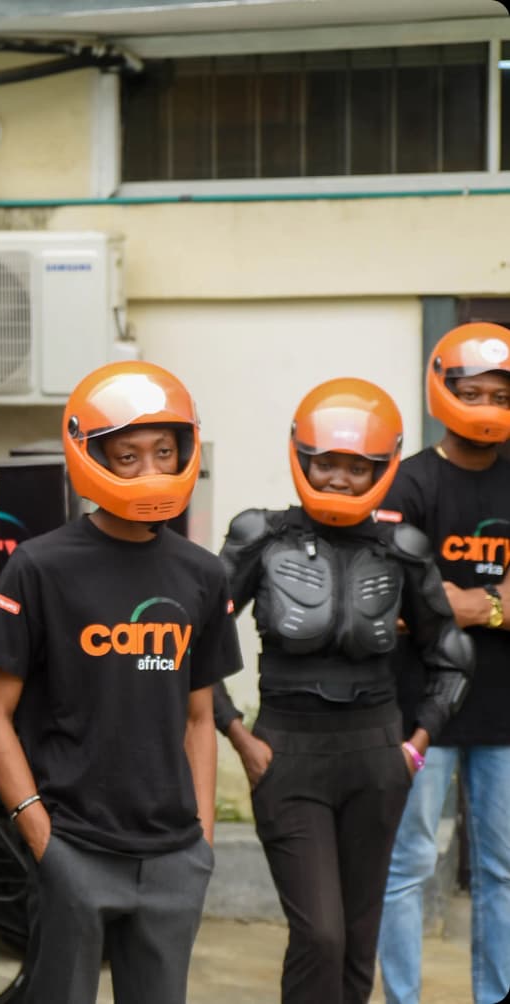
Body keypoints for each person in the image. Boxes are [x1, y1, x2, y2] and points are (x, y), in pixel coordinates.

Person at [0, 360, 242, 1004]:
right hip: (74, 847)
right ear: (92, 456)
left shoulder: (203, 575)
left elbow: (200, 717)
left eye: (163, 452)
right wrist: (40, 833)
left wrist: (201, 837)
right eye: (127, 456)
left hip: (174, 857)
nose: (149, 470)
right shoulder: (38, 568)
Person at [213, 377, 473, 1004]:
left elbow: (451, 654)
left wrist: (414, 745)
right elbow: (192, 644)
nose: (339, 479)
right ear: (301, 456)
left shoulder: (402, 549)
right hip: (288, 756)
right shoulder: (259, 537)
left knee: (359, 940)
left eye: (358, 467)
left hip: (376, 756)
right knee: (320, 935)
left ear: (383, 467)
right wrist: (239, 736)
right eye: (326, 462)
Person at [377, 321, 510, 1004]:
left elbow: (427, 600)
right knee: (407, 866)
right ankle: (403, 999)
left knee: (503, 870)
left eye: (500, 394)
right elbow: (397, 603)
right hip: (419, 711)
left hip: (504, 718)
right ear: (443, 391)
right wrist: (496, 604)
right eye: (474, 392)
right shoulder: (408, 485)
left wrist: (455, 600)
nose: (487, 406)